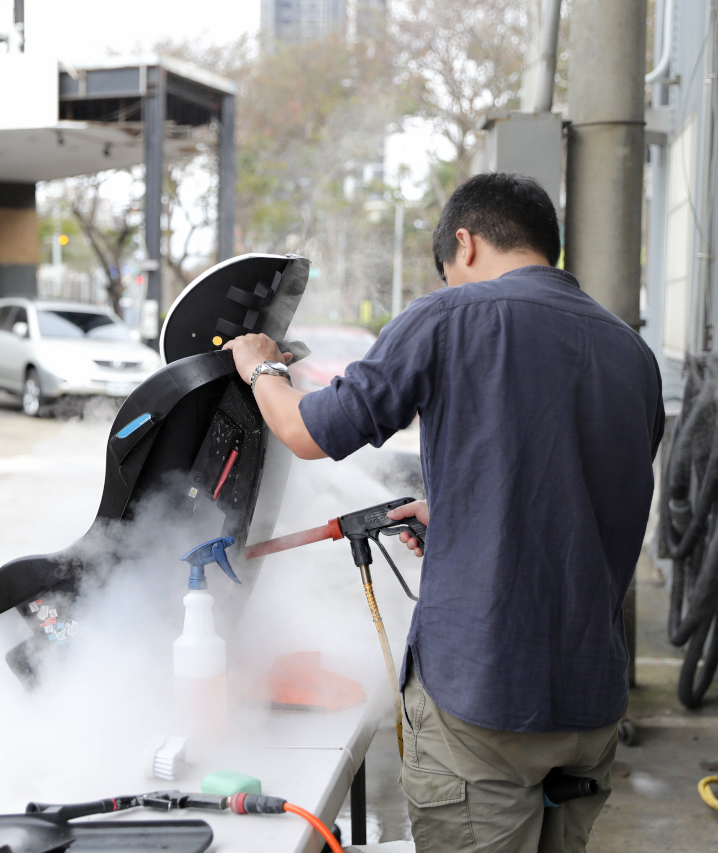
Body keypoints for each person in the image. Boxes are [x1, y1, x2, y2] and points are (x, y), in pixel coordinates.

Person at [222, 172, 664, 853]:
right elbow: (581, 486)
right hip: (588, 703)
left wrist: (260, 369)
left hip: (485, 697)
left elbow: (309, 433)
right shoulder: (631, 353)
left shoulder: (450, 316)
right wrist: (462, 510)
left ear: (464, 241)